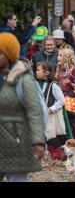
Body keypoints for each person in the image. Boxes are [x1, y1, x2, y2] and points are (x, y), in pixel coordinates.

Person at [0, 33, 46, 182]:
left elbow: (35, 111)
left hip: (17, 144)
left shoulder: (23, 79)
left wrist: (38, 142)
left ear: (9, 55)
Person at [35, 61, 67, 160]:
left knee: (50, 135)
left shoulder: (53, 85)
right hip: (46, 116)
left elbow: (62, 100)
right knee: (48, 135)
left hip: (52, 115)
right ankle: (57, 154)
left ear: (46, 73)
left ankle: (63, 153)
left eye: (38, 70)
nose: (36, 72)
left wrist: (51, 109)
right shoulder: (43, 84)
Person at [56, 48, 75, 143]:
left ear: (67, 58)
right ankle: (66, 142)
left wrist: (70, 83)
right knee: (63, 122)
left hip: (71, 100)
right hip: (61, 98)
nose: (58, 57)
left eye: (60, 56)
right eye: (58, 55)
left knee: (71, 123)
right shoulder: (60, 69)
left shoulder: (74, 70)